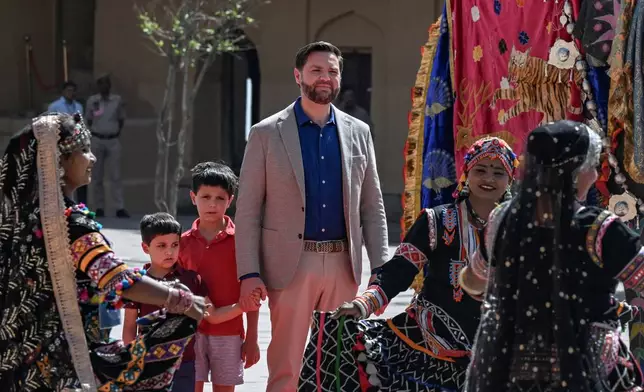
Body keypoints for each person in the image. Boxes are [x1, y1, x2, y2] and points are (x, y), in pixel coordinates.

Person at [0, 112, 209, 391]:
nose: (93, 158)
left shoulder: (21, 224)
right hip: (65, 365)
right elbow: (116, 278)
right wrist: (180, 298)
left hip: (18, 365)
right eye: (84, 150)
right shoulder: (71, 224)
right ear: (59, 162)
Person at [299, 137, 520, 391]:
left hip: (499, 343)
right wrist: (363, 304)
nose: (489, 179)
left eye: (498, 172)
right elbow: (399, 271)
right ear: (466, 173)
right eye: (481, 170)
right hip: (429, 341)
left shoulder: (521, 228)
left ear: (510, 180)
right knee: (341, 338)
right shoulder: (437, 221)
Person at [234, 41, 389, 392]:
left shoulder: (359, 133)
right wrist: (248, 272)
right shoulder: (266, 133)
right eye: (317, 70)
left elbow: (371, 205)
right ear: (298, 75)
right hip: (291, 266)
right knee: (287, 366)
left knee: (340, 365)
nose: (325, 77)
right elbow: (247, 211)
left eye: (332, 71)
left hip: (343, 266)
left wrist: (382, 271)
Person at [460, 121, 644, 391]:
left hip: (509, 366)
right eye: (591, 167)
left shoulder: (503, 219)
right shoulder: (600, 228)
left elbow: (473, 281)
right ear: (573, 171)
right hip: (587, 366)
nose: (594, 176)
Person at [179, 162, 261, 392]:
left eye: (219, 198)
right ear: (193, 197)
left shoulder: (242, 243)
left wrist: (252, 338)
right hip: (190, 334)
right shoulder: (182, 243)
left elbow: (251, 295)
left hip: (229, 333)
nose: (212, 204)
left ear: (230, 201)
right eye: (205, 197)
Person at [123, 212, 208, 392]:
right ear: (145, 248)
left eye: (174, 245)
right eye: (161, 245)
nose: (169, 252)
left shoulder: (192, 280)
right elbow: (129, 326)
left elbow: (204, 316)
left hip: (185, 362)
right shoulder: (137, 283)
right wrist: (130, 361)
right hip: (148, 362)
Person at [85, 74, 129, 218]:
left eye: (106, 84)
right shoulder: (93, 101)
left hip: (113, 140)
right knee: (97, 175)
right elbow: (89, 120)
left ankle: (119, 207)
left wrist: (114, 132)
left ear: (109, 86)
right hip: (97, 139)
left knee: (115, 175)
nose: (103, 87)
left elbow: (121, 119)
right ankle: (99, 207)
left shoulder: (117, 100)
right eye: (101, 85)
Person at [48, 80, 88, 205]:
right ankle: (63, 203)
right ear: (63, 92)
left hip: (76, 144)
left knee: (80, 173)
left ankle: (81, 204)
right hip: (61, 143)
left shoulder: (78, 107)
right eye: (68, 90)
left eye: (73, 91)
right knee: (62, 175)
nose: (71, 93)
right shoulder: (55, 106)